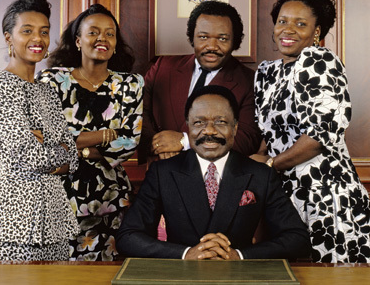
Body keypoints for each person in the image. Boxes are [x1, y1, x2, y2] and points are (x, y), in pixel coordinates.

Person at [253, 0, 370, 263]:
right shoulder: (267, 73)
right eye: (282, 21)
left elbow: (320, 137)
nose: (287, 30)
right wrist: (256, 171)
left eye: (300, 24)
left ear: (316, 31)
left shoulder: (318, 60)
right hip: (283, 191)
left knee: (326, 276)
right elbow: (269, 135)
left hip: (323, 191)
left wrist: (269, 165)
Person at [116, 85, 310, 260]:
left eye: (220, 122)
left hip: (238, 278)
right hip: (182, 277)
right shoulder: (162, 172)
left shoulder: (260, 174)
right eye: (199, 123)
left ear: (234, 128)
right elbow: (128, 237)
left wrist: (239, 256)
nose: (209, 131)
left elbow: (297, 239)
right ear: (188, 127)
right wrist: (186, 254)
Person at [0, 0, 79, 261]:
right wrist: (58, 148)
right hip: (14, 216)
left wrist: (53, 145)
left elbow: (73, 157)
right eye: (27, 31)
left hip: (55, 217)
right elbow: (31, 156)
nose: (38, 39)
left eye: (44, 32)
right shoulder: (1, 86)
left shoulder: (47, 91)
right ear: (9, 38)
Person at [37, 4, 144, 261]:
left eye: (110, 34)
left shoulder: (130, 84)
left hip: (108, 197)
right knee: (56, 275)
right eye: (93, 32)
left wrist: (72, 144)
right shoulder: (50, 81)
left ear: (116, 44)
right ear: (77, 40)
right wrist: (103, 137)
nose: (102, 39)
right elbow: (43, 139)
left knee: (105, 272)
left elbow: (129, 140)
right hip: (57, 195)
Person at [139, 0, 261, 163]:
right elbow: (139, 111)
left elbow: (247, 139)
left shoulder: (249, 81)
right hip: (158, 167)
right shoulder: (163, 67)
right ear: (192, 37)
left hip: (213, 177)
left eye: (222, 39)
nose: (211, 46)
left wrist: (184, 142)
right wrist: (158, 145)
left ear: (235, 41)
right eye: (203, 37)